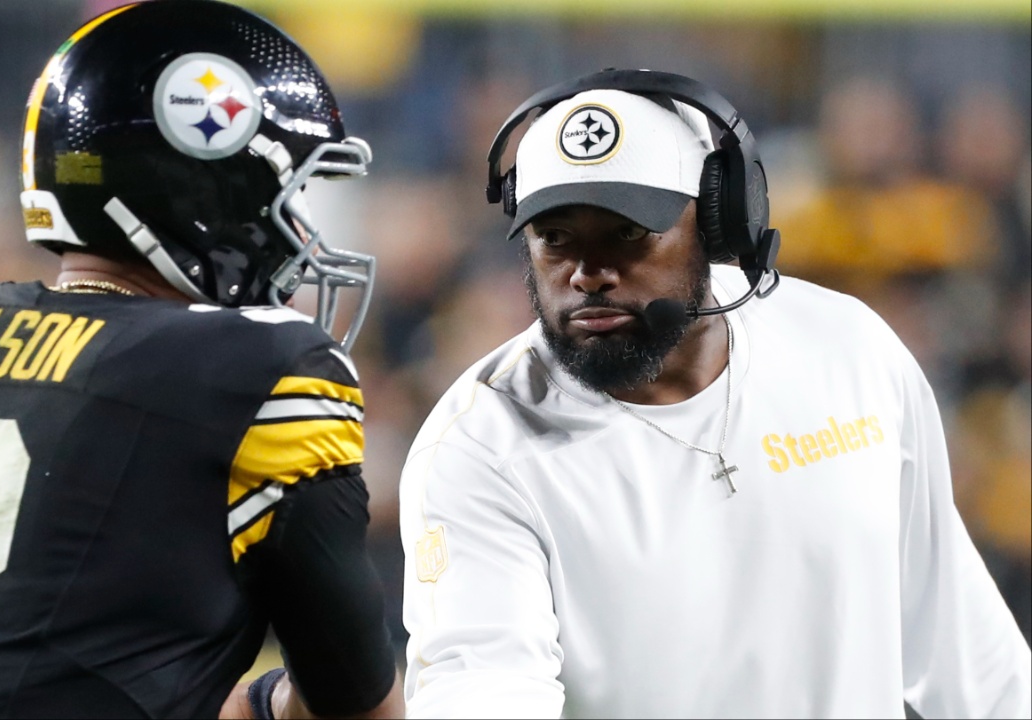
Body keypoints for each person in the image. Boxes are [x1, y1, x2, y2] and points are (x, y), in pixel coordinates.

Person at [0, 2, 401, 718]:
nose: (298, 235)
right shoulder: (260, 373)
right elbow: (360, 708)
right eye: (286, 195)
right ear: (206, 187)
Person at [398, 69, 1032, 719]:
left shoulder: (850, 349)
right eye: (555, 238)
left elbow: (973, 665)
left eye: (627, 233)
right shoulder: (480, 446)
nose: (587, 274)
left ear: (719, 222)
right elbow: (482, 685)